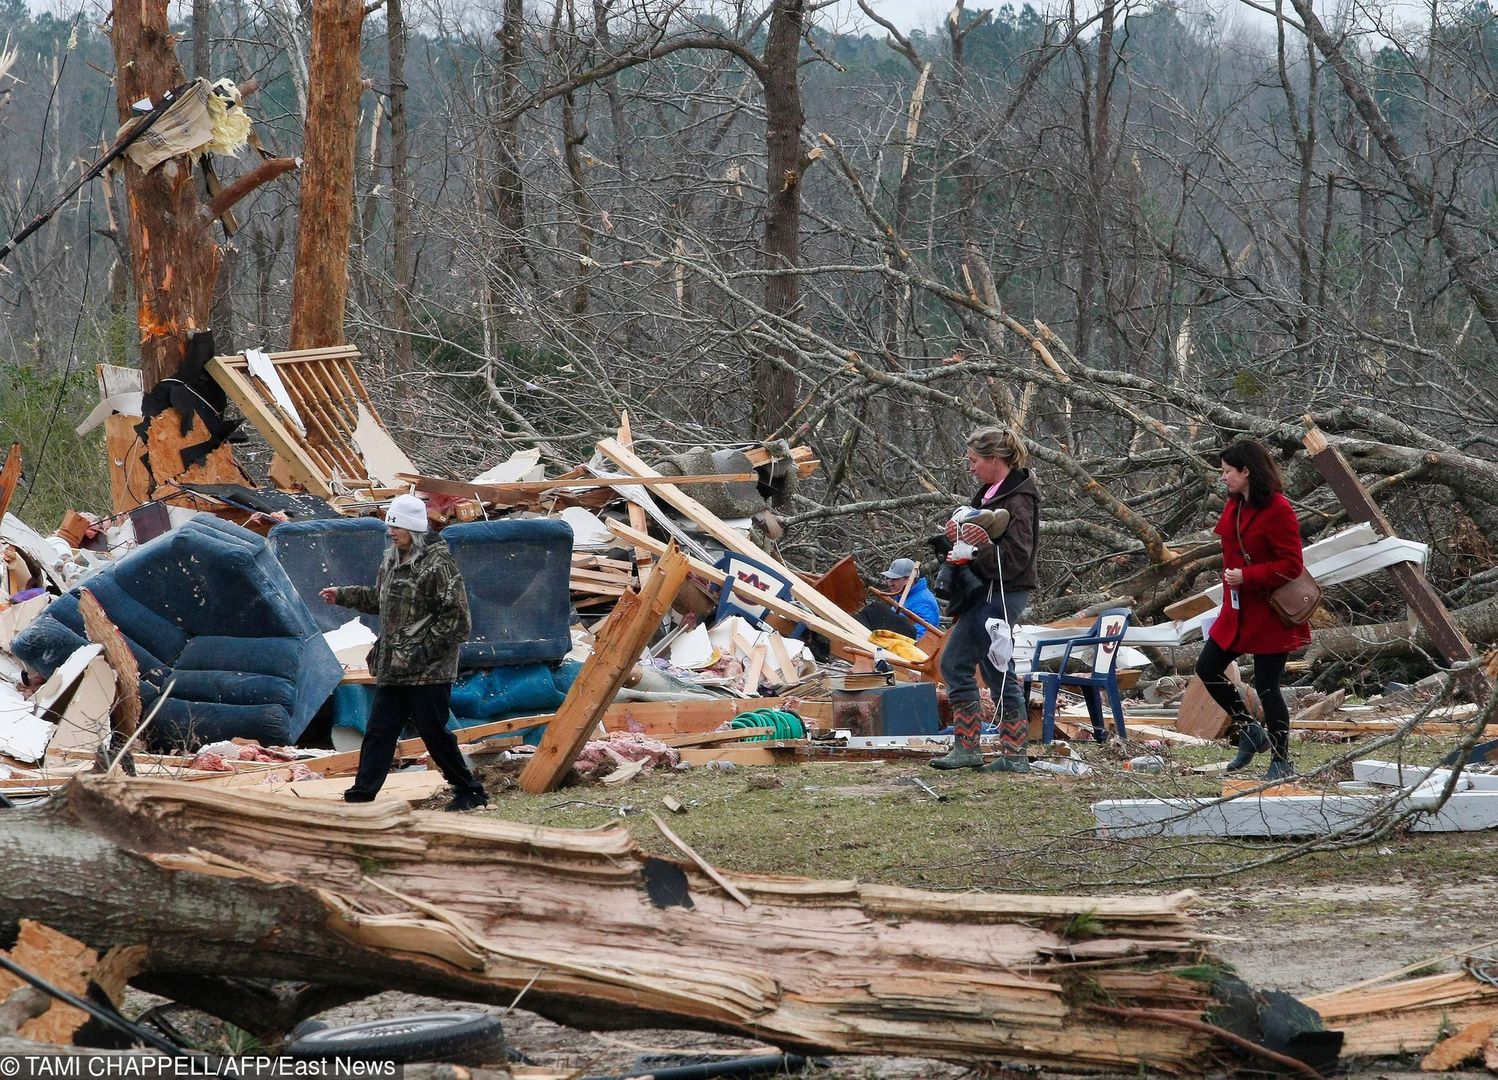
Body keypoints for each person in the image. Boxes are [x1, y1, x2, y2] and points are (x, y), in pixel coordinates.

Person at [321, 494, 490, 811]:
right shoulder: (393, 560)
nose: (389, 531)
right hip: (394, 668)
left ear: (413, 529)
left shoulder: (439, 565)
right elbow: (382, 601)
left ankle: (470, 791)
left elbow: (458, 621)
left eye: (395, 526)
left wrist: (421, 652)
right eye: (389, 524)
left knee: (434, 733)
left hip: (428, 671)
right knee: (379, 732)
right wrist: (343, 595)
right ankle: (361, 797)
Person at [1195, 440, 1310, 781]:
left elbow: (1292, 564)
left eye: (1228, 472)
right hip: (1236, 611)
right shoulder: (1235, 504)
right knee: (1209, 667)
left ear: (1246, 471)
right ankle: (1249, 730)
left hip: (1269, 613)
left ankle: (1281, 760)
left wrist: (1248, 575)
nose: (1224, 478)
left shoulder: (1278, 508)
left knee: (1268, 686)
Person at [930, 426, 1041, 774]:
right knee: (997, 670)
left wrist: (973, 551)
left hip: (1000, 594)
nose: (971, 466)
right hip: (991, 593)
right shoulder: (993, 494)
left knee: (955, 662)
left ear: (995, 460)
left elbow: (1015, 558)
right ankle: (1013, 754)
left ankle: (969, 748)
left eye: (975, 460)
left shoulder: (1018, 500)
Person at [880, 558, 940, 640]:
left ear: (909, 579)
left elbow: (921, 637)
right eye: (889, 579)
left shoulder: (923, 601)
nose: (891, 583)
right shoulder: (902, 597)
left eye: (895, 579)